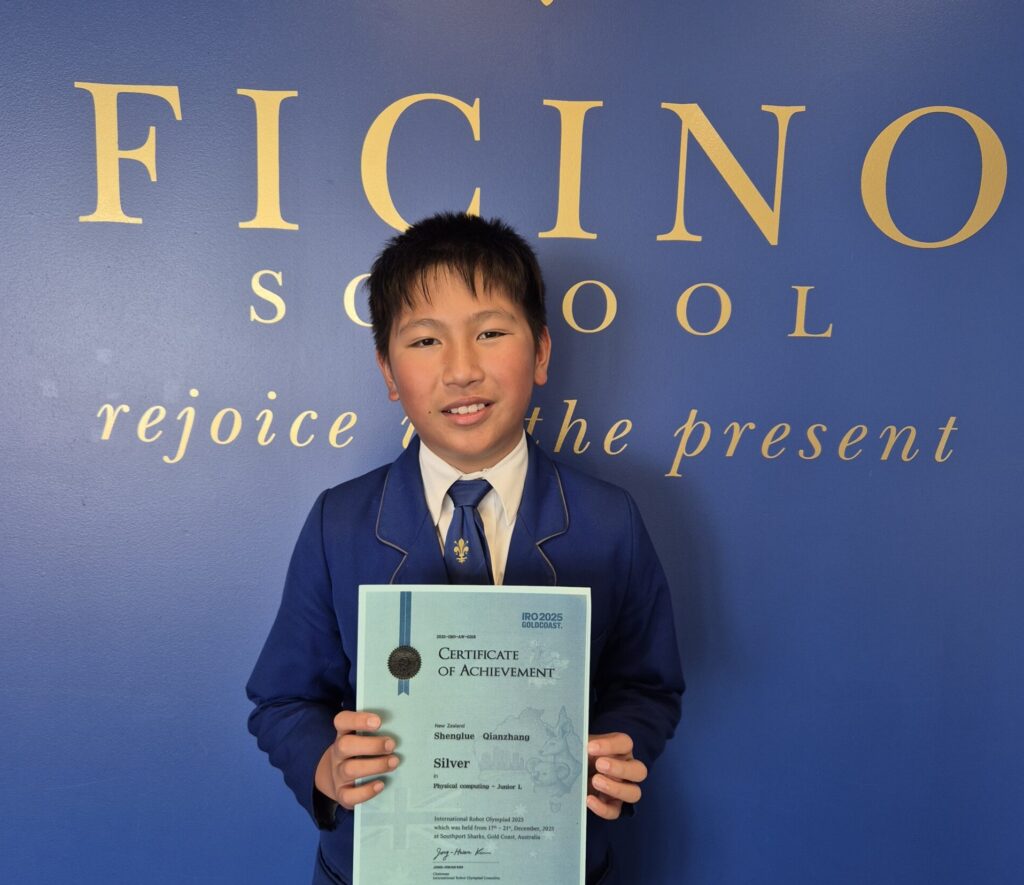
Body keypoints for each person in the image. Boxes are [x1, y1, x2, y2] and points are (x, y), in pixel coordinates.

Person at [247, 212, 684, 885]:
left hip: (555, 861)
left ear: (540, 352)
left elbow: (647, 685)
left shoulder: (609, 520)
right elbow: (281, 699)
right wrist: (323, 764)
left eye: (489, 332)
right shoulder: (339, 521)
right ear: (388, 371)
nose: (461, 368)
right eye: (424, 340)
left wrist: (618, 748)